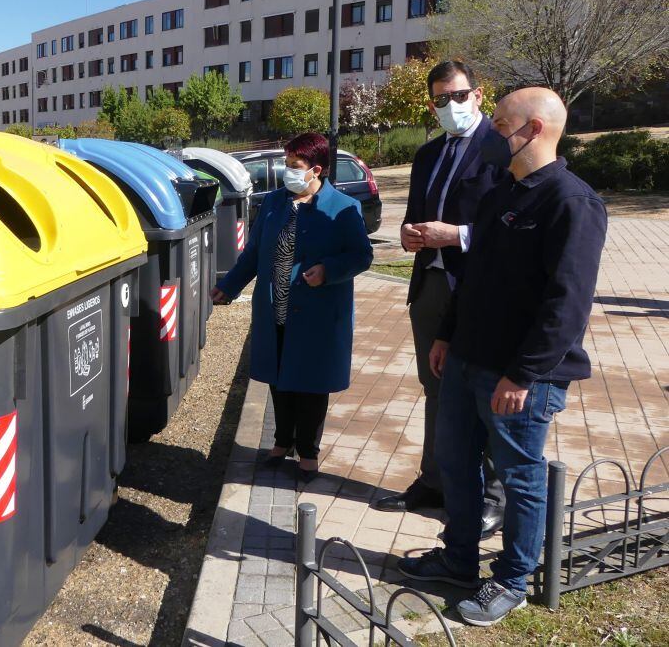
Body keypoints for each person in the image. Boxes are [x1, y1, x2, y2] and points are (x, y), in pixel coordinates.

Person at [398, 87, 607, 627]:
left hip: (518, 377)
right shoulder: (500, 195)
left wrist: (523, 373)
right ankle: (459, 560)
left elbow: (566, 305)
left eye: (499, 124)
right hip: (467, 357)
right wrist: (446, 335)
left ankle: (512, 579)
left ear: (533, 130)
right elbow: (471, 280)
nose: (489, 132)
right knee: (456, 463)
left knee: (520, 479)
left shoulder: (571, 202)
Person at [373, 60, 506, 541]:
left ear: (478, 94)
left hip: (474, 290)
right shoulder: (429, 154)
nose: (450, 106)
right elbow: (415, 217)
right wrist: (409, 236)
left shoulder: (501, 148)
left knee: (480, 396)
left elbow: (507, 225)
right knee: (435, 391)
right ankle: (435, 481)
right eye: (440, 100)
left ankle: (493, 496)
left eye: (458, 96)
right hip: (429, 288)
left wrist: (459, 236)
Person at [211, 132, 372, 479]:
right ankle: (281, 441)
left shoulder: (344, 208)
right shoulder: (274, 203)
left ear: (316, 170)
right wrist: (228, 286)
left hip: (317, 312)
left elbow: (362, 255)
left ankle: (308, 453)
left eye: (294, 166)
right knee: (278, 378)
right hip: (275, 308)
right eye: (286, 165)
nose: (288, 173)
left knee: (311, 385)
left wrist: (329, 270)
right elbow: (253, 253)